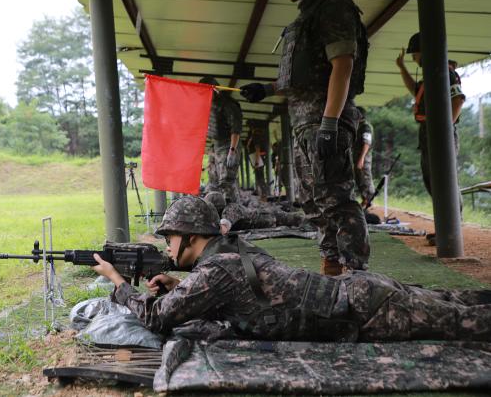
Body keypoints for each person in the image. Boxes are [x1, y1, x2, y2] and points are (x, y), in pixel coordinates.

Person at [92, 196, 491, 342]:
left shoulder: (217, 272)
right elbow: (236, 289)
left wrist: (117, 282)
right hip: (363, 294)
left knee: (469, 322)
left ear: (191, 236)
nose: (166, 245)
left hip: (364, 311)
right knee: (459, 302)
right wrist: (180, 282)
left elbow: (157, 317)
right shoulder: (227, 255)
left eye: (170, 237)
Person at [239, 0, 369, 275]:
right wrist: (266, 89)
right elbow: (302, 79)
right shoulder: (307, 16)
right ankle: (331, 273)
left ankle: (358, 279)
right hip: (304, 125)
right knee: (314, 205)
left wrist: (330, 122)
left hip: (324, 123)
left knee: (337, 203)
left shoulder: (332, 7)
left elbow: (343, 64)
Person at [396, 33, 465, 245]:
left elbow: (458, 100)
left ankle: (453, 230)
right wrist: (401, 68)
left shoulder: (446, 72)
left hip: (440, 133)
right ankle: (445, 227)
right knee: (433, 182)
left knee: (445, 181)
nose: (413, 58)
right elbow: (414, 90)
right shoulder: (430, 78)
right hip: (428, 133)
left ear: (422, 51)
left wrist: (444, 130)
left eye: (414, 54)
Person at [202, 76, 243, 204]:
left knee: (227, 182)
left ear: (214, 90)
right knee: (213, 181)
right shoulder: (208, 103)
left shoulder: (228, 104)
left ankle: (234, 215)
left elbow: (236, 129)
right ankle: (217, 214)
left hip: (228, 144)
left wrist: (232, 150)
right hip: (216, 145)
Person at [353, 106, 375, 207]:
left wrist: (361, 159)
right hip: (357, 156)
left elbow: (367, 143)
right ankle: (364, 200)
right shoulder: (358, 126)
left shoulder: (365, 127)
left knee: (365, 178)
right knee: (359, 179)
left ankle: (368, 200)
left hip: (364, 158)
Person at [245, 119, 271, 198]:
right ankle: (262, 193)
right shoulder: (255, 135)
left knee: (260, 176)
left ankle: (264, 194)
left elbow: (257, 149)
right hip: (257, 157)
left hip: (258, 157)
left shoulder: (256, 135)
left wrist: (256, 161)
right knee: (259, 176)